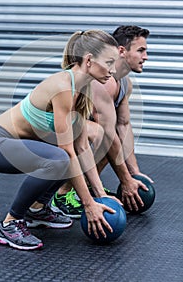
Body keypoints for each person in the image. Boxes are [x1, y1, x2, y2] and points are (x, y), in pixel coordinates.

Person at [0, 29, 121, 251]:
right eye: (109, 62)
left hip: (13, 145)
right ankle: (10, 223)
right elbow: (68, 153)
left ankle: (37, 209)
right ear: (89, 60)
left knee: (66, 155)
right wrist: (88, 204)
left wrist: (98, 195)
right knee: (60, 157)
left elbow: (81, 147)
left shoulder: (83, 88)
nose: (113, 70)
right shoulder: (63, 87)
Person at [51, 25, 154, 216]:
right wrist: (125, 180)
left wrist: (134, 173)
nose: (146, 56)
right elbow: (107, 134)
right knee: (103, 137)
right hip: (55, 132)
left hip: (79, 135)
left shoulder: (124, 84)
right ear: (122, 51)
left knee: (110, 141)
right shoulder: (103, 83)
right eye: (141, 50)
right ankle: (63, 194)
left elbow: (123, 126)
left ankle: (88, 187)